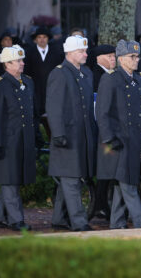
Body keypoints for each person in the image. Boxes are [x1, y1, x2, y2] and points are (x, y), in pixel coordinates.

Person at [96, 40, 141, 229]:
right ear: (121, 59)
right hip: (116, 143)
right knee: (128, 186)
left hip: (133, 142)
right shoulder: (110, 79)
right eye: (132, 57)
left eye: (137, 56)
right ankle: (140, 224)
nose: (136, 60)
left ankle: (116, 225)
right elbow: (102, 113)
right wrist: (109, 139)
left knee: (123, 185)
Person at [46, 35, 97, 231]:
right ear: (69, 53)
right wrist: (57, 133)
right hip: (66, 136)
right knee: (71, 180)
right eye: (81, 51)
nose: (85, 54)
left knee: (68, 178)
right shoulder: (59, 74)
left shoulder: (85, 73)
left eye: (85, 51)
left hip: (80, 136)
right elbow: (54, 106)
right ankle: (79, 222)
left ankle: (59, 218)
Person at [0, 44, 37, 231]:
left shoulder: (28, 82)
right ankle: (16, 220)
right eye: (18, 61)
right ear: (7, 64)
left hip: (23, 140)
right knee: (10, 181)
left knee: (13, 179)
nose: (22, 64)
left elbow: (33, 112)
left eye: (22, 60)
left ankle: (1, 218)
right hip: (7, 142)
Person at [24, 27, 64, 116]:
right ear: (35, 39)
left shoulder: (56, 52)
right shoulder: (29, 53)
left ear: (48, 39)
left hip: (52, 89)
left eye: (44, 37)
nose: (42, 40)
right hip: (35, 90)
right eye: (39, 37)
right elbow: (26, 72)